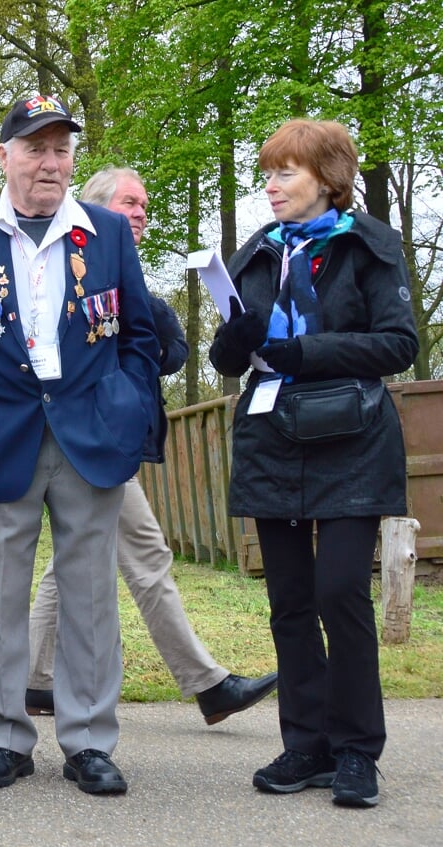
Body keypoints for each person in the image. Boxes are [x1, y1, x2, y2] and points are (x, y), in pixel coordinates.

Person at [0, 94, 158, 796]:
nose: (50, 163)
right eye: (35, 148)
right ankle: (5, 738)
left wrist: (129, 403)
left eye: (60, 149)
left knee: (87, 595)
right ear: (4, 156)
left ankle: (87, 740)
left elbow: (139, 338)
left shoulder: (106, 233)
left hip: (90, 438)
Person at [208, 120, 417, 808]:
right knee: (290, 601)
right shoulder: (254, 254)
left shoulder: (367, 246)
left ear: (326, 179)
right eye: (266, 173)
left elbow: (396, 344)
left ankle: (356, 750)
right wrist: (231, 345)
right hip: (271, 441)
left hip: (351, 440)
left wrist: (306, 353)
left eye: (284, 173)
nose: (268, 186)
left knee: (338, 593)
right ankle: (306, 744)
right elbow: (226, 359)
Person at [25, 167, 279, 724]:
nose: (141, 213)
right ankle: (207, 683)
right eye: (130, 203)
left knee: (71, 563)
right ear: (96, 210)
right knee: (148, 558)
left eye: (144, 205)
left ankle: (36, 680)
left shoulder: (120, 266)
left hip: (102, 441)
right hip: (87, 440)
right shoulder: (78, 267)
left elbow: (169, 348)